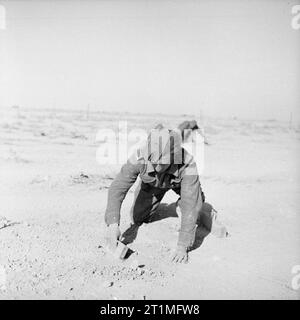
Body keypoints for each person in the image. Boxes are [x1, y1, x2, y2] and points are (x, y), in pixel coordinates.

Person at [103, 121, 213, 264]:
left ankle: (186, 205)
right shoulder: (139, 157)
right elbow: (118, 188)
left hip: (179, 183)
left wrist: (182, 246)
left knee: (195, 204)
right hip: (153, 185)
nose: (157, 166)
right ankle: (171, 206)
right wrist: (113, 225)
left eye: (162, 162)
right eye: (154, 162)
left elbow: (191, 202)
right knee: (137, 218)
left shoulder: (187, 162)